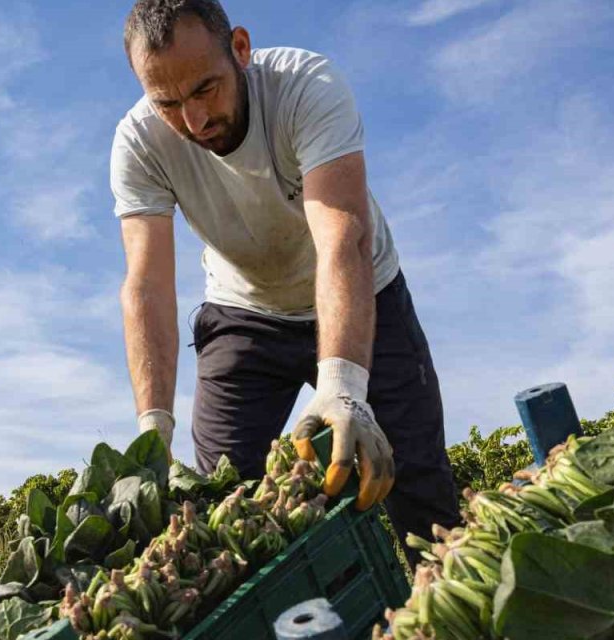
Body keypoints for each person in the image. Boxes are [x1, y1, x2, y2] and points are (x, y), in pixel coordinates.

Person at [110, 0, 460, 563]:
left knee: (420, 492)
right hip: (244, 312)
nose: (193, 122)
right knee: (220, 506)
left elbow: (341, 235)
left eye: (205, 90)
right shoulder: (138, 142)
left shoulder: (305, 86)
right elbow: (147, 285)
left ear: (240, 50)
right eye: (167, 103)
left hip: (360, 294)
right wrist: (153, 427)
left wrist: (343, 386)